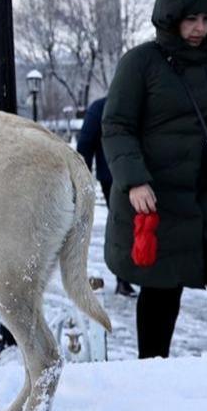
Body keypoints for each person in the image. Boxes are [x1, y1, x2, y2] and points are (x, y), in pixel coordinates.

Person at [102, 0, 207, 359]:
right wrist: (135, 180)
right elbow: (116, 126)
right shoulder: (140, 62)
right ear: (170, 18)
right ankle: (152, 377)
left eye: (206, 19)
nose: (199, 29)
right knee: (161, 290)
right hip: (161, 196)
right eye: (191, 19)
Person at [76, 96, 135, 297]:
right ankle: (126, 277)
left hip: (113, 175)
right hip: (119, 176)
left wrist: (82, 180)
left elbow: (85, 144)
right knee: (130, 225)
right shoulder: (134, 103)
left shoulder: (101, 107)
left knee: (123, 225)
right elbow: (85, 144)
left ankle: (125, 278)